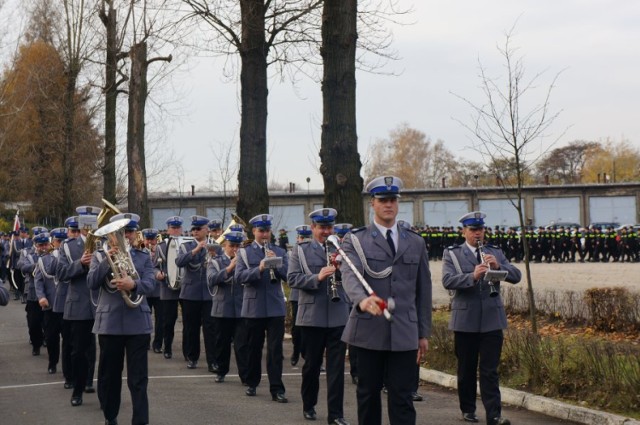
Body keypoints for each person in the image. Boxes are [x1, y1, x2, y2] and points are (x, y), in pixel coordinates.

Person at [340, 176, 431, 425]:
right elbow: (350, 274)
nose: (388, 205)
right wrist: (361, 300)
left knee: (403, 397)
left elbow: (423, 290)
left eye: (392, 200)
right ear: (373, 203)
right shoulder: (356, 240)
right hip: (369, 328)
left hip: (405, 330)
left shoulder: (415, 241)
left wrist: (423, 332)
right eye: (383, 200)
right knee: (368, 395)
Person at [442, 211, 522, 425]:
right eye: (473, 230)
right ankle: (468, 408)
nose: (478, 234)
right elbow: (447, 280)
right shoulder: (453, 254)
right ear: (464, 232)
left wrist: (498, 267)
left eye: (480, 229)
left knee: (490, 370)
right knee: (466, 369)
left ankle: (494, 415)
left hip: (491, 319)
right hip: (465, 319)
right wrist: (472, 276)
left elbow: (516, 275)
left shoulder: (494, 252)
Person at [87, 212, 156, 425]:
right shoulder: (99, 256)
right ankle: (110, 416)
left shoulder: (144, 257)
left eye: (130, 231)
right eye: (122, 232)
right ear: (111, 235)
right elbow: (91, 282)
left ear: (135, 234)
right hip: (110, 324)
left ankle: (140, 420)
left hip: (137, 323)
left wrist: (133, 285)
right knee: (109, 376)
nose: (127, 236)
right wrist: (108, 261)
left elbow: (151, 284)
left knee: (138, 379)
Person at [288, 208, 351, 424]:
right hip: (311, 316)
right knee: (312, 365)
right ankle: (309, 405)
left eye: (329, 227)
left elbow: (355, 278)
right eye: (321, 227)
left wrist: (342, 269)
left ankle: (336, 414)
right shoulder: (301, 250)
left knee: (336, 369)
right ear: (313, 228)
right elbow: (293, 279)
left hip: (338, 315)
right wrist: (318, 276)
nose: (326, 231)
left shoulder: (343, 249)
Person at [235, 214, 289, 402]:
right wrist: (259, 268)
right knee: (253, 347)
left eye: (267, 231)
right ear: (254, 232)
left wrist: (277, 264)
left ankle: (277, 388)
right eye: (261, 231)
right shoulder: (244, 252)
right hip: (254, 306)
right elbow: (239, 277)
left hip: (275, 306)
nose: (265, 234)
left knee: (275, 350)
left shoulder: (279, 251)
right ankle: (252, 382)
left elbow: (289, 276)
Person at [56, 208, 100, 406]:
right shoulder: (67, 246)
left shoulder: (104, 244)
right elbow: (61, 273)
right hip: (79, 304)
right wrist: (80, 264)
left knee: (95, 349)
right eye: (87, 222)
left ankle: (91, 382)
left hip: (100, 303)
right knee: (79, 351)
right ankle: (78, 389)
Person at [206, 230, 248, 384]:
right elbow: (211, 280)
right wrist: (229, 268)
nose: (235, 249)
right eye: (232, 246)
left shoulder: (245, 260)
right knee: (222, 343)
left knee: (242, 345)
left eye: (238, 245)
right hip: (222, 308)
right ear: (224, 245)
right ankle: (221, 371)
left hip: (241, 308)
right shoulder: (215, 261)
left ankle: (245, 376)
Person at [176, 215, 217, 371]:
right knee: (191, 328)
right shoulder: (186, 246)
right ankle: (192, 358)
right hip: (190, 293)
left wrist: (214, 256)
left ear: (206, 230)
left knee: (210, 329)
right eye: (193, 229)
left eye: (199, 229)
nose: (195, 232)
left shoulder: (214, 245)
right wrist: (195, 250)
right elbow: (179, 262)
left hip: (208, 293)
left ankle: (212, 361)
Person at [153, 216, 184, 359]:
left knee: (189, 322)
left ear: (181, 229)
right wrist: (157, 274)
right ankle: (167, 347)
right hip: (167, 287)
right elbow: (153, 267)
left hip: (185, 288)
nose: (175, 230)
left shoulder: (186, 244)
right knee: (168, 321)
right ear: (168, 229)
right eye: (173, 228)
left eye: (177, 228)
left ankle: (187, 350)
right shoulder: (161, 246)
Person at [288, 224, 312, 367]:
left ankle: (309, 355)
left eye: (306, 237)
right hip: (297, 295)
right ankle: (295, 351)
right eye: (301, 237)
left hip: (310, 294)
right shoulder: (293, 253)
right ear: (297, 238)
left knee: (311, 329)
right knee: (296, 329)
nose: (304, 240)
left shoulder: (313, 251)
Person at [141, 228, 164, 354]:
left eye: (152, 239)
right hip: (145, 290)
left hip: (158, 290)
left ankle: (158, 344)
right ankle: (145, 341)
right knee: (145, 317)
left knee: (160, 319)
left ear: (156, 239)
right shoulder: (140, 251)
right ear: (144, 239)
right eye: (147, 239)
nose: (150, 242)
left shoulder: (161, 251)